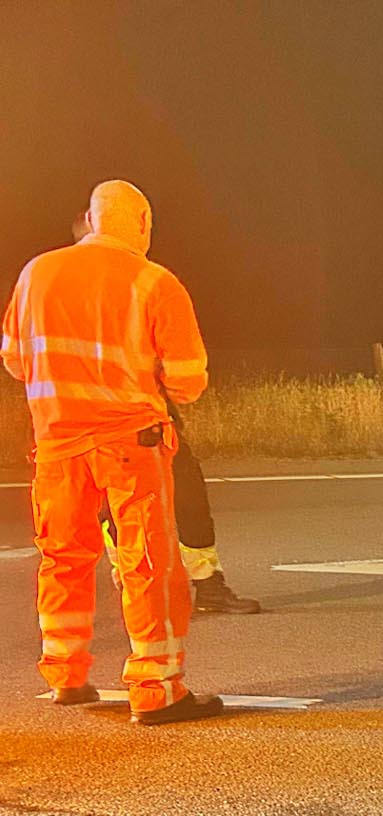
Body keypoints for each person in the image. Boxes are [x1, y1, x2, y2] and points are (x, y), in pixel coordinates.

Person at [1, 180, 223, 724]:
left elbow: (14, 359)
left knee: (63, 558)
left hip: (55, 445)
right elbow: (189, 381)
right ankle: (156, 688)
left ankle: (65, 675)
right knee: (147, 562)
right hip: (130, 445)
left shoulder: (37, 274)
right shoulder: (154, 282)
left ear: (93, 219)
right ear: (142, 223)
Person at [68, 211, 258, 615]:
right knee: (114, 504)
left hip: (148, 410)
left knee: (185, 490)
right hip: (100, 417)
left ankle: (206, 582)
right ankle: (137, 587)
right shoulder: (74, 286)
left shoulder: (135, 281)